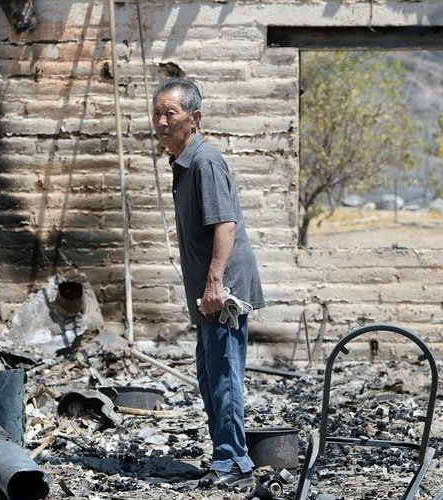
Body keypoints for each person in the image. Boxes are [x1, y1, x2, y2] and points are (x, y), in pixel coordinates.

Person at [152, 77, 265, 490]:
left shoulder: (205, 161)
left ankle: (234, 462)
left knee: (224, 375)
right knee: (208, 373)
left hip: (224, 291)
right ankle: (226, 455)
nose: (162, 121)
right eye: (158, 113)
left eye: (172, 113)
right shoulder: (183, 162)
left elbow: (225, 224)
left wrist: (216, 283)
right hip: (209, 293)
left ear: (194, 118)